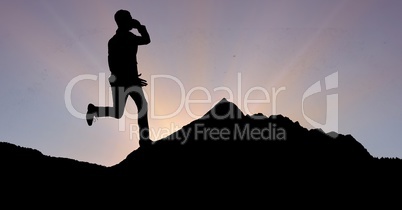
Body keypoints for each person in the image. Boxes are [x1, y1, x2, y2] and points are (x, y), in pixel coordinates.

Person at [86, 9, 151, 146]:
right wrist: (131, 79)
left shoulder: (130, 37)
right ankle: (144, 141)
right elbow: (113, 65)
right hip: (120, 80)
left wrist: (140, 27)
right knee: (131, 109)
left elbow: (146, 40)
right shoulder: (115, 41)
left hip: (130, 79)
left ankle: (94, 110)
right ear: (122, 22)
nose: (132, 20)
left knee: (129, 109)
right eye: (129, 18)